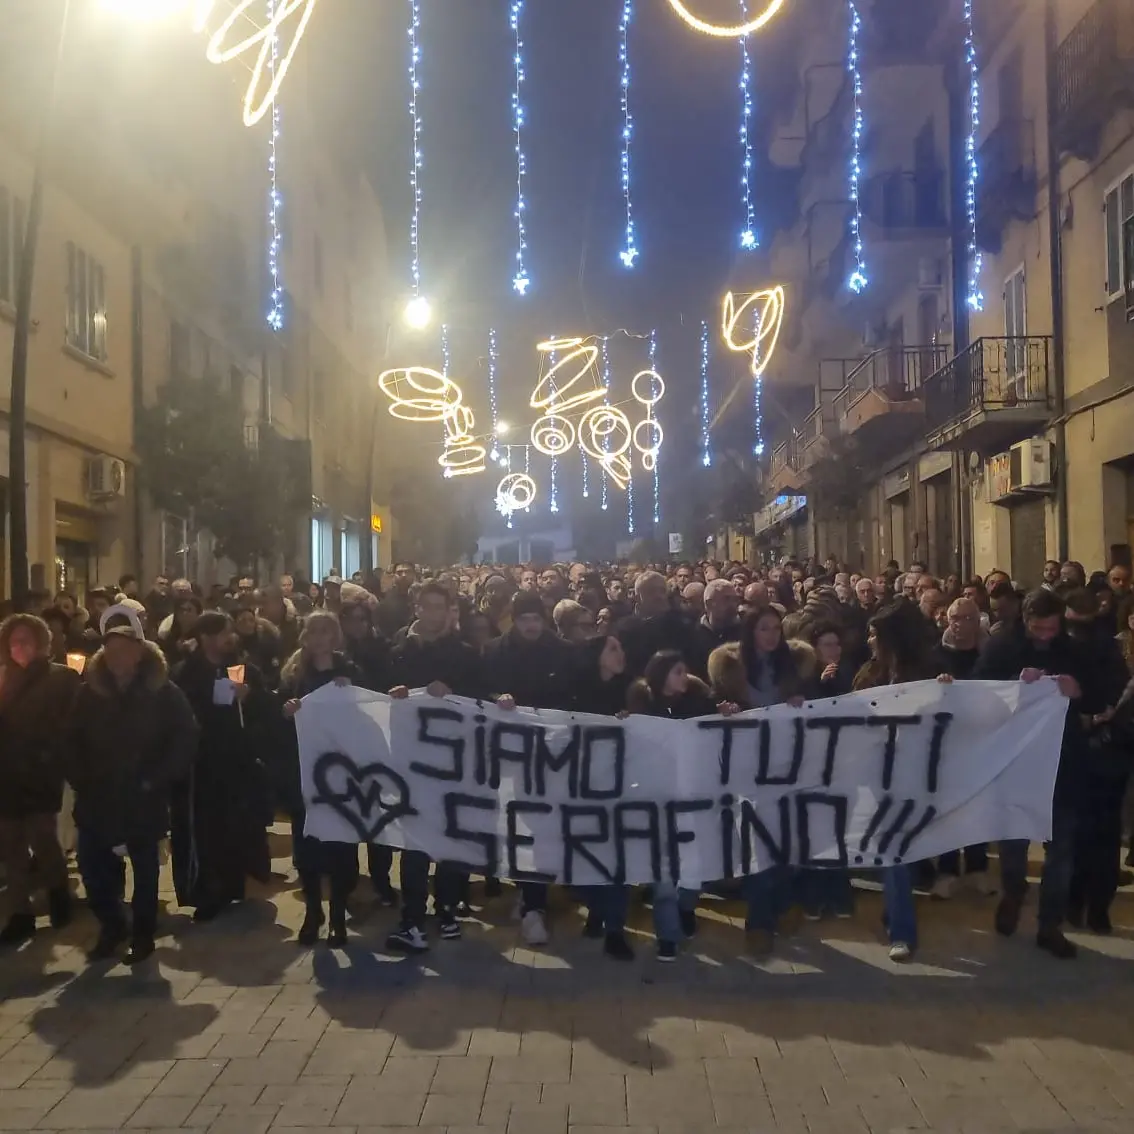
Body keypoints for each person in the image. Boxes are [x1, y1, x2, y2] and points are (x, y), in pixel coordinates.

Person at [65, 604, 199, 964]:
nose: (117, 656)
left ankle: (142, 932)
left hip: (143, 795)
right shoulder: (90, 692)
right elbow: (71, 738)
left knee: (145, 870)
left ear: (139, 653)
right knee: (94, 871)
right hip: (98, 796)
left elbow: (185, 737)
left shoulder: (163, 692)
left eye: (124, 649)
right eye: (110, 650)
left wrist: (158, 777)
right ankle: (112, 924)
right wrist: (80, 776)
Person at [972, 588, 1099, 959]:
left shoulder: (1074, 651)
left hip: (1064, 763)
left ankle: (1050, 924)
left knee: (1061, 850)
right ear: (1024, 620)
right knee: (1013, 842)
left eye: (1051, 629)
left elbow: (1096, 697)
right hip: (1017, 761)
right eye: (1037, 628)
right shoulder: (1001, 647)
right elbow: (981, 692)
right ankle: (1013, 892)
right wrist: (1015, 683)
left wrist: (1078, 692)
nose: (1044, 635)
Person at [707, 607, 816, 955]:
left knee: (782, 840)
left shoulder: (794, 666)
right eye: (764, 629)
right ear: (750, 633)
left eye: (776, 629)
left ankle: (780, 904)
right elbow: (708, 707)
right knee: (756, 841)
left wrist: (799, 701)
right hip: (746, 768)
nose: (771, 635)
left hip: (785, 767)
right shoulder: (728, 670)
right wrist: (722, 710)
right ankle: (759, 921)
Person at [386, 582, 485, 951]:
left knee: (448, 837)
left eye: (439, 607)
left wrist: (454, 691)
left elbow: (480, 701)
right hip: (411, 760)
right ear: (416, 607)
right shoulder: (396, 651)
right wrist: (394, 692)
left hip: (452, 761)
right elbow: (377, 694)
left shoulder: (465, 655)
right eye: (426, 606)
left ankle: (446, 910)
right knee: (414, 842)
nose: (432, 613)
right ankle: (411, 916)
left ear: (448, 610)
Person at [482, 589, 579, 945]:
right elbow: (483, 692)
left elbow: (574, 696)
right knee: (520, 825)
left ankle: (534, 900)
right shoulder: (494, 652)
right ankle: (530, 895)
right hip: (513, 753)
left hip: (552, 753)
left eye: (536, 619)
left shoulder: (563, 653)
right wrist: (497, 700)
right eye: (525, 619)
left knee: (542, 826)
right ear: (514, 619)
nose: (531, 626)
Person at [852, 601, 941, 961]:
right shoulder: (867, 673)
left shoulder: (928, 672)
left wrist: (946, 692)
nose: (868, 640)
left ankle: (899, 923)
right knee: (894, 851)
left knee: (896, 851)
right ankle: (900, 925)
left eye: (875, 635)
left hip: (914, 773)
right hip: (877, 775)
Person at [170, 612, 272, 922]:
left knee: (235, 827)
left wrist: (249, 697)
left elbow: (262, 707)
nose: (231, 638)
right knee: (206, 831)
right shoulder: (185, 673)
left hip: (236, 762)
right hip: (201, 765)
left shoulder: (241, 668)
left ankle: (233, 884)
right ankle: (208, 892)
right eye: (224, 633)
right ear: (205, 638)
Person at [0, 615, 82, 945]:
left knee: (43, 837)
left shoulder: (60, 678)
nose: (20, 647)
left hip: (40, 772)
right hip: (6, 774)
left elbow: (70, 724)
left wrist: (53, 755)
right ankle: (20, 913)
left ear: (40, 643)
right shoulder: (4, 678)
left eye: (26, 641)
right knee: (11, 845)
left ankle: (58, 890)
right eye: (14, 642)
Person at [690, 578, 742, 680]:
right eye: (727, 599)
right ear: (709, 604)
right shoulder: (692, 635)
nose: (733, 604)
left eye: (735, 599)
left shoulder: (746, 632)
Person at [378, 562, 416, 638]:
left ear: (414, 575)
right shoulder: (386, 600)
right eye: (399, 572)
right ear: (394, 576)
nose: (404, 575)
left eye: (408, 572)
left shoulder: (420, 596)